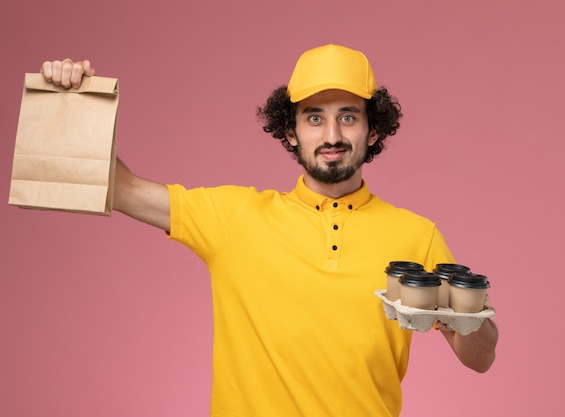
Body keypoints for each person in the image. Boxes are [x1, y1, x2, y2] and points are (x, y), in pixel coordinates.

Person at [40, 44, 498, 417]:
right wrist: (75, 102)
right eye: (314, 117)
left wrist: (466, 321)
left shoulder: (416, 235)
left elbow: (480, 357)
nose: (332, 134)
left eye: (349, 116)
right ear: (291, 132)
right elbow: (122, 189)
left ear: (373, 131)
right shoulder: (235, 217)